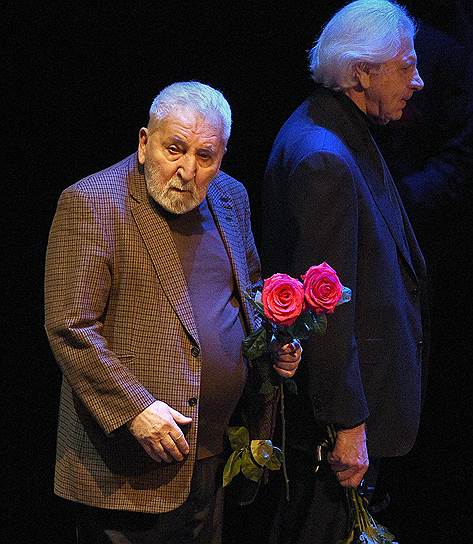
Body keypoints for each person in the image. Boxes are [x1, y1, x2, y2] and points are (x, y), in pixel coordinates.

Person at [44, 81, 301, 544]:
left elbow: (251, 294)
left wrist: (276, 345)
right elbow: (69, 325)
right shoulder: (92, 202)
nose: (187, 170)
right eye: (175, 149)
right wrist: (135, 409)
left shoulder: (230, 197)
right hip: (128, 467)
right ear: (145, 143)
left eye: (205, 156)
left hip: (214, 455)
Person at [261, 1, 429, 542]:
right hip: (343, 432)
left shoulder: (340, 129)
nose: (418, 81)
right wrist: (348, 423)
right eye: (406, 66)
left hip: (365, 417)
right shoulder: (324, 157)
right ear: (362, 73)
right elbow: (324, 311)